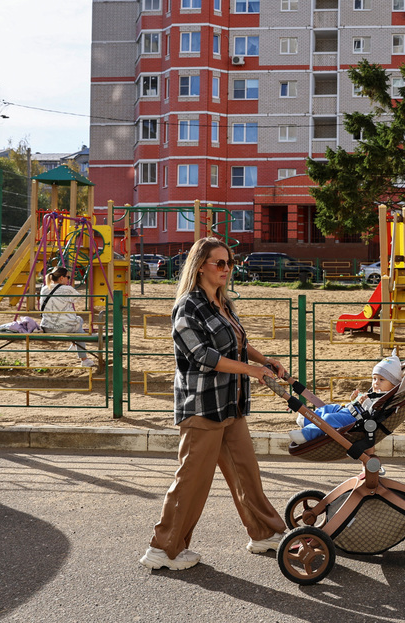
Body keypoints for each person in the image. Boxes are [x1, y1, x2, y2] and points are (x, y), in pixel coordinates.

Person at [140, 237, 288, 571]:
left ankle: (264, 532)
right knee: (192, 481)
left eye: (229, 263)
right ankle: (164, 549)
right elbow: (202, 355)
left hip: (231, 405)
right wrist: (251, 370)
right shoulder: (187, 306)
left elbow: (238, 343)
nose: (226, 269)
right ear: (199, 266)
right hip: (203, 406)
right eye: (218, 263)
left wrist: (266, 362)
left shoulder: (222, 303)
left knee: (246, 473)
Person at [289, 352, 402, 444]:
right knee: (329, 408)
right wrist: (355, 400)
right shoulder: (376, 393)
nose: (376, 383)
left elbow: (374, 413)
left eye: (381, 380)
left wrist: (366, 403)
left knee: (329, 418)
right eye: (374, 379)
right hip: (350, 410)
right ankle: (306, 420)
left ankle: (306, 434)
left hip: (356, 419)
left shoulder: (386, 399)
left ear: (393, 384)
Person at [39, 266, 94, 367]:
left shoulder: (45, 288)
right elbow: (78, 299)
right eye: (68, 277)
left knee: (77, 325)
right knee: (79, 322)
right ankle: (83, 358)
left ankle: (75, 345)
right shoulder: (67, 289)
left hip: (47, 327)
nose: (69, 280)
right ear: (61, 278)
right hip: (63, 327)